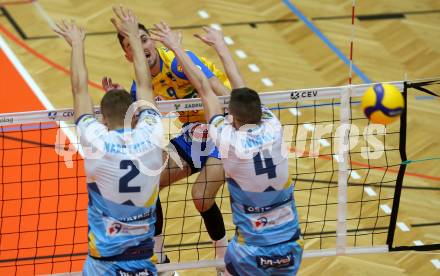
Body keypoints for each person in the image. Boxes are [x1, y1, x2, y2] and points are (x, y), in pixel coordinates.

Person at [150, 22, 303, 275]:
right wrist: (221, 45)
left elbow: (203, 87)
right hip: (290, 246)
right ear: (259, 110)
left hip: (249, 251)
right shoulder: (273, 125)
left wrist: (176, 47)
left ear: (231, 114)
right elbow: (240, 85)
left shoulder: (227, 140)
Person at [106, 19, 231, 265]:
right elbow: (133, 128)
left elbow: (225, 96)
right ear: (128, 55)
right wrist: (119, 101)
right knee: (147, 182)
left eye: (144, 39)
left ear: (152, 41)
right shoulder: (141, 85)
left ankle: (224, 257)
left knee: (201, 196)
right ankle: (160, 258)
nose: (142, 48)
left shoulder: (178, 61)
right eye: (133, 45)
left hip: (225, 130)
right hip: (194, 136)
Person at [54, 7, 163, 275]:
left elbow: (79, 89)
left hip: (103, 265)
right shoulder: (151, 131)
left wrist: (77, 43)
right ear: (135, 114)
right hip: (142, 263)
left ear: (102, 118)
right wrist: (135, 39)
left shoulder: (97, 142)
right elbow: (145, 83)